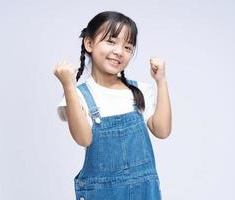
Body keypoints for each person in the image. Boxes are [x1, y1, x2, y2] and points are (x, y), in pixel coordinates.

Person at [53, 11, 172, 200]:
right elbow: (84, 139)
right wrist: (69, 86)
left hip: (144, 193)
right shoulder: (78, 96)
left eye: (128, 47)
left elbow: (163, 130)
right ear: (89, 43)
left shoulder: (138, 90)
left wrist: (161, 81)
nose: (119, 51)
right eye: (111, 41)